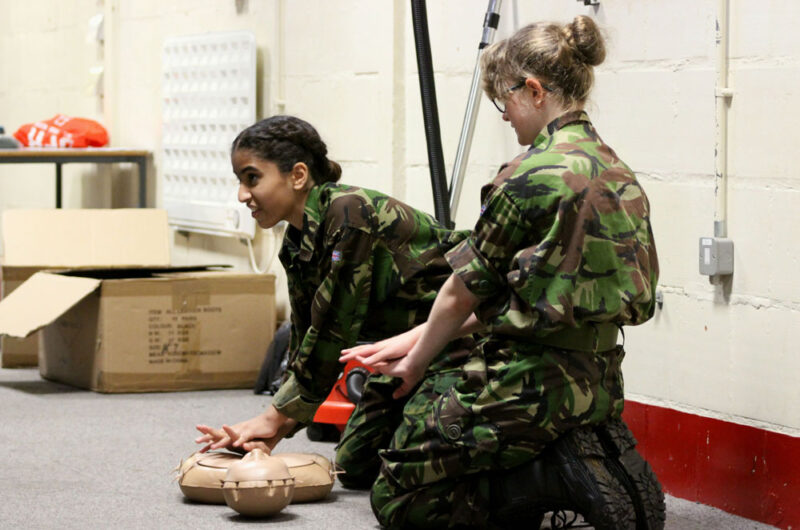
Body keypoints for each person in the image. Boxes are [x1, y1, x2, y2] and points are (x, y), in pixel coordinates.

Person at [341, 16, 664, 529]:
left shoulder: (527, 178)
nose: (505, 117)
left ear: (533, 90)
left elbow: (459, 294)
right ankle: (555, 457)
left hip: (527, 386)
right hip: (600, 380)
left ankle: (540, 479)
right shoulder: (618, 173)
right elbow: (523, 299)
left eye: (504, 101)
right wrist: (413, 337)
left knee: (398, 497)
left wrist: (416, 362)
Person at [193, 115, 471, 489]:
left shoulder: (348, 212)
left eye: (252, 178)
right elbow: (305, 337)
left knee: (410, 479)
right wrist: (280, 427)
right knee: (355, 467)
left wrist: (275, 416)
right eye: (240, 181)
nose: (242, 194)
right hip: (406, 355)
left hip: (461, 340)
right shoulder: (296, 240)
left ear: (298, 175)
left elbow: (334, 329)